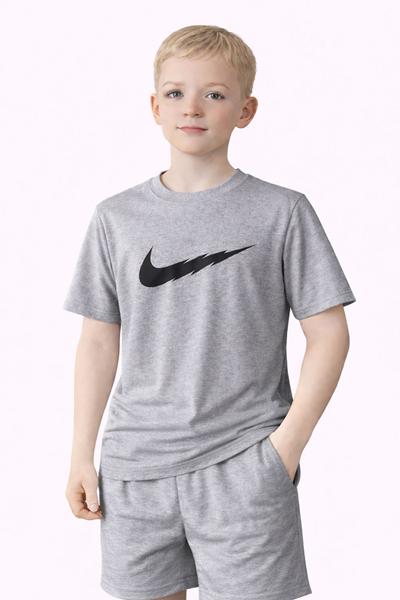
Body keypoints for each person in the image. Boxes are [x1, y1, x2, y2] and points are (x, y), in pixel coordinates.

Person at [63, 24, 356, 600]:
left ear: (245, 110)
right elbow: (97, 341)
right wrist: (80, 455)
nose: (192, 107)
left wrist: (285, 448)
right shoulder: (115, 218)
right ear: (155, 106)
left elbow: (329, 334)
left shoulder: (282, 212)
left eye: (214, 94)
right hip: (134, 469)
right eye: (175, 93)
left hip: (245, 462)